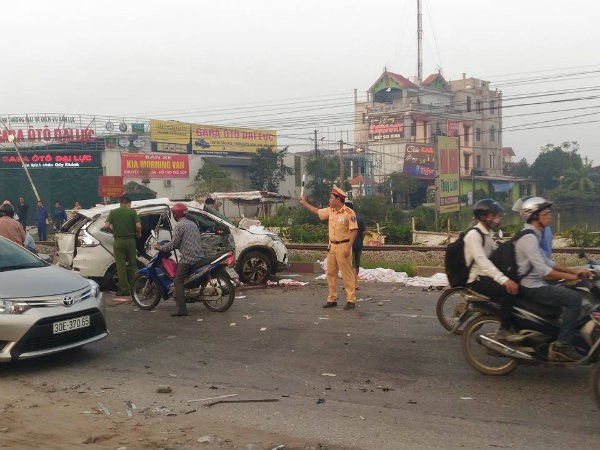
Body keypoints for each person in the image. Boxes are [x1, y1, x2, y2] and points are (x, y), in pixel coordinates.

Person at [514, 196, 592, 361]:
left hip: (536, 283)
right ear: (535, 216)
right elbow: (545, 271)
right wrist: (571, 275)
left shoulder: (535, 234)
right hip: (532, 287)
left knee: (569, 292)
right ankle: (561, 345)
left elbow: (548, 261)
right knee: (575, 299)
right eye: (546, 214)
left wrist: (575, 272)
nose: (550, 217)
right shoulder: (528, 237)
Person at [464, 199, 519, 340]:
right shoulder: (473, 235)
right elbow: (482, 261)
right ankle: (504, 328)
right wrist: (504, 279)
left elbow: (494, 252)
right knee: (509, 289)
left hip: (486, 276)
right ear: (483, 217)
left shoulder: (488, 233)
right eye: (493, 215)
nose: (497, 218)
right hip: (477, 279)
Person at [299, 185, 358, 310]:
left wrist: (348, 248)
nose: (329, 200)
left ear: (338, 199)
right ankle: (332, 299)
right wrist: (304, 203)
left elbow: (354, 231)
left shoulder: (349, 213)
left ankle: (351, 300)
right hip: (332, 246)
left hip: (343, 246)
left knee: (347, 274)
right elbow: (317, 211)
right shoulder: (330, 210)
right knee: (331, 273)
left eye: (331, 198)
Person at [153, 203, 211, 317]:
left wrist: (161, 247)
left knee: (177, 281)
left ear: (176, 214)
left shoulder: (179, 225)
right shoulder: (192, 223)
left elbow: (174, 244)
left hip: (188, 258)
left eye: (173, 213)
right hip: (199, 255)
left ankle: (182, 309)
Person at [103, 195, 142, 296]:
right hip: (130, 241)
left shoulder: (113, 212)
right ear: (129, 203)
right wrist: (138, 233)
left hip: (118, 241)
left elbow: (106, 226)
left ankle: (125, 290)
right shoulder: (132, 212)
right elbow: (138, 226)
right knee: (132, 265)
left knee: (120, 266)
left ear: (120, 203)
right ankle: (134, 287)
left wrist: (112, 232)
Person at [344, 200, 367, 290]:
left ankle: (354, 283)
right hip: (359, 245)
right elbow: (364, 232)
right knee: (357, 265)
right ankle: (353, 282)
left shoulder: (346, 218)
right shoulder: (359, 219)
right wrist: (361, 240)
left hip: (349, 245)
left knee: (351, 265)